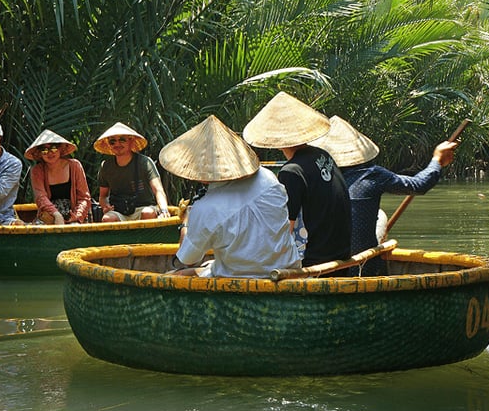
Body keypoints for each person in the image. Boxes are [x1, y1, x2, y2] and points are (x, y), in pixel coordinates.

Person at [159, 115, 299, 278]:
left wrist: (185, 224)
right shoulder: (268, 178)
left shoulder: (205, 208)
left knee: (171, 276)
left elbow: (188, 259)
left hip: (241, 279)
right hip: (287, 270)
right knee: (209, 265)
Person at [310, 116, 456, 269]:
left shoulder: (315, 178)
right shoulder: (371, 175)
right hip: (364, 266)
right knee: (380, 218)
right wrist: (437, 160)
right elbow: (419, 185)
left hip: (325, 267)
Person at [242, 92, 351, 267]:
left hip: (315, 260)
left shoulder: (291, 172)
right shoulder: (323, 155)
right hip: (341, 253)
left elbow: (285, 228)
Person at [93, 122, 171, 222]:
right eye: (112, 141)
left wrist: (164, 210)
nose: (117, 144)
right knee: (108, 218)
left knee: (147, 213)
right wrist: (106, 206)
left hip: (144, 208)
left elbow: (158, 190)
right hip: (119, 211)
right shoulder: (106, 166)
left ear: (131, 141)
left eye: (122, 140)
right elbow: (103, 196)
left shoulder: (144, 162)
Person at [24, 129, 92, 225]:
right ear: (39, 153)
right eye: (44, 150)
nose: (50, 153)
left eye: (54, 148)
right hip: (49, 214)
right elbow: (40, 197)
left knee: (74, 229)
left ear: (60, 149)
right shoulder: (37, 170)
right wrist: (56, 215)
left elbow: (84, 197)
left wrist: (77, 215)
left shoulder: (75, 165)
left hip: (74, 213)